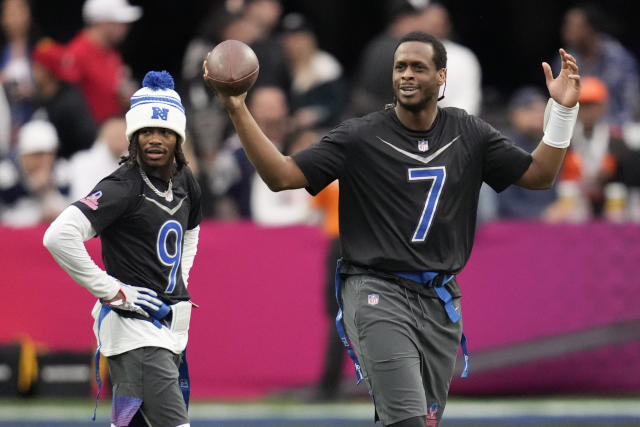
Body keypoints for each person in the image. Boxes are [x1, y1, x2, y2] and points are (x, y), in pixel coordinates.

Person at [205, 31, 581, 426]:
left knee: (417, 421)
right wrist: (236, 108)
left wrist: (562, 111)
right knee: (408, 421)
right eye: (400, 67)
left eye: (418, 67)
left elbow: (539, 175)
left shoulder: (469, 133)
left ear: (441, 77)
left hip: (439, 298)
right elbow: (282, 175)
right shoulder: (360, 135)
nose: (406, 75)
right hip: (375, 291)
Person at [43, 70, 202, 427]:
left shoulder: (184, 179)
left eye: (164, 131)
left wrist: (180, 278)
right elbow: (58, 236)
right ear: (133, 135)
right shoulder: (122, 186)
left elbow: (191, 230)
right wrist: (113, 291)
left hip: (167, 327)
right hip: (136, 331)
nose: (155, 140)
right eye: (146, 131)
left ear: (178, 136)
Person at [560, 3, 639, 126]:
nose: (567, 31)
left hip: (617, 128)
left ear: (590, 28)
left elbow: (629, 104)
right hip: (576, 128)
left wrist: (610, 131)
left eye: (574, 26)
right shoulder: (564, 59)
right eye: (567, 25)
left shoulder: (619, 59)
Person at [64, 0, 142, 124]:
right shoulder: (76, 54)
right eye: (120, 23)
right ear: (104, 23)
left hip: (116, 128)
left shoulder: (112, 52)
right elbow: (68, 102)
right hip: (90, 134)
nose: (126, 28)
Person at [497, 86, 557, 219]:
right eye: (531, 110)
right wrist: (542, 214)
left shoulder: (552, 148)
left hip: (553, 227)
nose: (538, 115)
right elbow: (504, 205)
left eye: (542, 110)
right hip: (513, 230)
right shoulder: (502, 148)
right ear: (515, 114)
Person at [31, 38, 97, 159]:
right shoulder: (41, 97)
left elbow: (88, 141)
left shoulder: (70, 104)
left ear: (46, 71)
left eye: (36, 66)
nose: (33, 70)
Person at [0, 119, 68, 227]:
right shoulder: (6, 173)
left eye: (50, 154)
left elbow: (71, 205)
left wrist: (49, 188)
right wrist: (28, 186)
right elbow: (5, 217)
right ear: (23, 155)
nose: (45, 160)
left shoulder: (61, 171)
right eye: (38, 154)